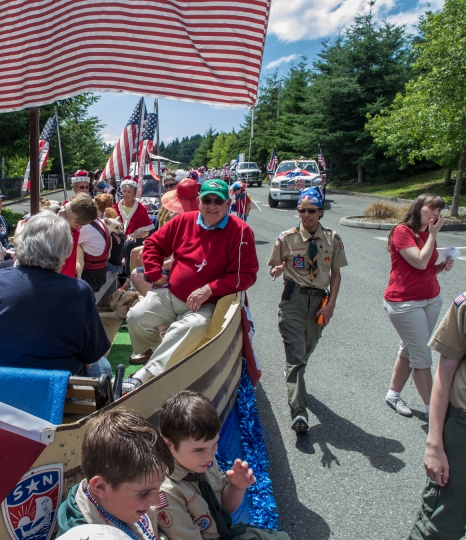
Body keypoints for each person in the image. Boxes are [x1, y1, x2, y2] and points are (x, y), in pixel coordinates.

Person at [123, 179, 258, 392]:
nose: (212, 205)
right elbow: (152, 244)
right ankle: (158, 355)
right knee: (136, 317)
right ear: (199, 201)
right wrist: (154, 273)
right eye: (207, 200)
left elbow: (246, 276)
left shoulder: (241, 232)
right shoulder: (184, 221)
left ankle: (144, 375)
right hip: (171, 294)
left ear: (228, 203)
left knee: (188, 327)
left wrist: (209, 289)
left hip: (207, 303)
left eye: (218, 201)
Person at [0, 211, 111, 377]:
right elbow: (92, 355)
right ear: (66, 251)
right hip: (54, 395)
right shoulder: (78, 291)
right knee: (102, 365)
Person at [158, 391, 291, 540]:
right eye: (199, 450)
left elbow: (223, 509)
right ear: (169, 445)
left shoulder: (201, 462)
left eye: (214, 444)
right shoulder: (168, 493)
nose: (210, 456)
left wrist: (237, 487)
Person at [268, 187, 346, 433]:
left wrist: (331, 305)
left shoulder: (333, 239)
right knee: (296, 355)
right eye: (302, 211)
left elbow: (336, 274)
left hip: (318, 301)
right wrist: (278, 270)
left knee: (308, 347)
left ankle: (294, 372)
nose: (306, 215)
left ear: (321, 212)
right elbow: (274, 265)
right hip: (293, 299)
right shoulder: (286, 238)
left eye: (312, 211)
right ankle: (299, 413)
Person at [57, 408, 174, 539]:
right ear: (100, 487)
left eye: (158, 488)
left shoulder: (121, 501)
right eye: (143, 493)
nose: (156, 501)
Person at [383, 194, 452, 417]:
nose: (436, 215)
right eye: (432, 209)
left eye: (439, 211)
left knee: (411, 348)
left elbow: (427, 269)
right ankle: (435, 413)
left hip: (431, 299)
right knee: (421, 355)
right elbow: (420, 261)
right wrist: (433, 235)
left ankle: (393, 395)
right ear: (418, 208)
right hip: (405, 303)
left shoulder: (426, 233)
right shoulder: (402, 231)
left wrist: (442, 266)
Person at [410, 292, 466, 539]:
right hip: (461, 431)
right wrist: (434, 444)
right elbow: (444, 374)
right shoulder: (464, 306)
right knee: (442, 522)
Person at [130, 177, 200, 297]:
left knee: (140, 266)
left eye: (172, 185)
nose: (175, 211)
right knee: (137, 252)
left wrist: (155, 267)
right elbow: (161, 238)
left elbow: (178, 260)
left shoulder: (195, 223)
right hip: (176, 260)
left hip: (188, 271)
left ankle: (160, 300)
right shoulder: (179, 218)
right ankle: (139, 290)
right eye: (167, 186)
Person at [113, 178, 154, 288]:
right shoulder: (115, 207)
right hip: (117, 238)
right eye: (124, 191)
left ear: (134, 193)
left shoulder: (141, 208)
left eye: (129, 191)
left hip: (135, 240)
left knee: (129, 244)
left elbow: (146, 231)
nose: (126, 194)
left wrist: (134, 235)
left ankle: (128, 277)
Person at [58, 193, 99, 278]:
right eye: (64, 207)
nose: (60, 212)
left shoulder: (63, 235)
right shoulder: (72, 230)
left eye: (66, 215)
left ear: (77, 226)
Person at [77, 214, 112, 293]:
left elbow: (65, 244)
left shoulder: (86, 228)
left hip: (89, 277)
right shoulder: (98, 222)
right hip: (101, 273)